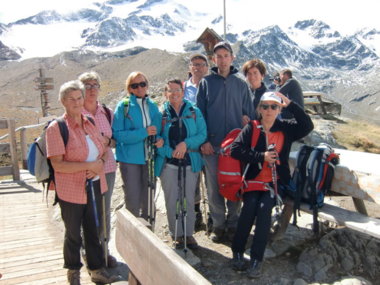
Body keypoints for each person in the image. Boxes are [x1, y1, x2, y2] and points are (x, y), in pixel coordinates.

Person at [230, 91, 314, 278]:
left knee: (264, 209)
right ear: (259, 109)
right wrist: (262, 157)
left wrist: (290, 104)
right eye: (265, 106)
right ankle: (237, 252)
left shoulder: (286, 128)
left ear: (279, 109)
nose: (269, 110)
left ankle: (256, 260)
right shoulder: (252, 128)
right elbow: (235, 150)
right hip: (253, 180)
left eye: (274, 106)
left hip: (275, 183)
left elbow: (308, 125)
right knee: (249, 207)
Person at [46, 80, 120, 284]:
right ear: (63, 102)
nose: (77, 102)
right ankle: (73, 270)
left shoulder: (90, 121)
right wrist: (89, 167)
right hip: (71, 189)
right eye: (72, 99)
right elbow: (58, 165)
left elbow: (104, 148)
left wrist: (100, 163)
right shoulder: (57, 128)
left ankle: (96, 269)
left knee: (93, 229)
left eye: (79, 97)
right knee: (73, 232)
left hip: (95, 184)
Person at [196, 41, 255, 242]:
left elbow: (251, 115)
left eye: (225, 55)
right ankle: (218, 225)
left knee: (234, 184)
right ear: (213, 59)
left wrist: (247, 123)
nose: (222, 60)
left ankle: (233, 224)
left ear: (232, 57)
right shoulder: (206, 83)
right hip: (211, 146)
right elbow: (199, 115)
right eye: (218, 56)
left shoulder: (241, 84)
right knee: (213, 187)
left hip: (235, 147)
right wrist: (203, 141)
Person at [155, 79, 207, 249]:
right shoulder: (161, 114)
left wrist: (186, 144)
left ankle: (189, 234)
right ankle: (176, 234)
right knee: (172, 199)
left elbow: (202, 134)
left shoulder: (194, 111)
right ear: (165, 93)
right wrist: (170, 152)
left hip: (190, 162)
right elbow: (157, 140)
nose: (174, 93)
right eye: (170, 91)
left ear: (183, 92)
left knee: (188, 199)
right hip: (169, 163)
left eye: (177, 90)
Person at [79, 71, 118, 268]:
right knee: (88, 212)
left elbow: (114, 140)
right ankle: (89, 252)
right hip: (85, 171)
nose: (91, 89)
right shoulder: (75, 113)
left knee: (104, 210)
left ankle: (104, 250)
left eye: (95, 85)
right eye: (87, 85)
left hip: (108, 167)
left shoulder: (107, 112)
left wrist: (108, 141)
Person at [112, 71, 162, 221]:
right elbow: (118, 134)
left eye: (142, 84)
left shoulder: (152, 106)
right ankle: (133, 235)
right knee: (132, 198)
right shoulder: (123, 106)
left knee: (149, 197)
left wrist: (158, 139)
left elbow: (158, 129)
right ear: (130, 89)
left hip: (149, 158)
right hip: (130, 159)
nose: (139, 88)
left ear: (147, 85)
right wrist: (143, 133)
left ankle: (149, 233)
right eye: (135, 85)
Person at [183, 53, 209, 231]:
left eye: (201, 64)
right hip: (191, 141)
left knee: (212, 179)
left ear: (207, 67)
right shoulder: (183, 88)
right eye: (194, 64)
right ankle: (197, 213)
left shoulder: (212, 86)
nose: (197, 67)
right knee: (193, 178)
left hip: (210, 140)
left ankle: (215, 215)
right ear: (189, 68)